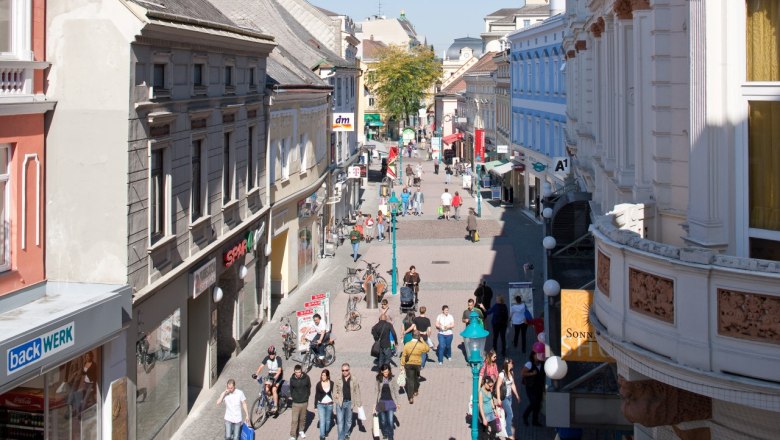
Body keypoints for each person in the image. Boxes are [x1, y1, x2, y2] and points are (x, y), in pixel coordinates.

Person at [333, 363, 361, 440]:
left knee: (348, 422)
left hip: (350, 403)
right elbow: (334, 390)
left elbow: (357, 391)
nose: (344, 372)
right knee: (340, 422)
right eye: (343, 370)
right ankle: (341, 438)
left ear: (349, 370)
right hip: (340, 403)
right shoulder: (338, 378)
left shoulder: (354, 379)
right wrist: (336, 399)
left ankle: (346, 433)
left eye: (346, 370)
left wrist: (359, 403)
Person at [400, 331, 429, 403]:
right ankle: (415, 391)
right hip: (417, 364)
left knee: (410, 380)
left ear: (412, 336)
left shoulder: (407, 344)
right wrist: (423, 341)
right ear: (419, 336)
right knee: (416, 378)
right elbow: (427, 349)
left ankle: (410, 397)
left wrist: (402, 364)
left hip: (409, 364)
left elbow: (404, 355)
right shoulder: (420, 345)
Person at [253, 345, 283, 413]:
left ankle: (275, 406)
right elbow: (261, 366)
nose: (271, 355)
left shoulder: (278, 359)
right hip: (270, 374)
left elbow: (279, 370)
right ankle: (271, 398)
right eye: (270, 354)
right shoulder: (267, 358)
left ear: (275, 353)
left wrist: (276, 377)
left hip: (278, 375)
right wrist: (256, 374)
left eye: (272, 354)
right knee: (266, 389)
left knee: (274, 389)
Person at [496, 359, 521, 440]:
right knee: (510, 414)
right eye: (511, 363)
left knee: (507, 414)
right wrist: (499, 399)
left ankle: (506, 432)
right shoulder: (501, 374)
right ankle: (509, 434)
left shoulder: (511, 373)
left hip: (510, 397)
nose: (513, 364)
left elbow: (513, 385)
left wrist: (517, 395)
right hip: (504, 397)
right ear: (507, 364)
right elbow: (497, 386)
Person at [374, 364, 401, 440]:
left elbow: (396, 391)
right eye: (385, 372)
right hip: (381, 402)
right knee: (382, 420)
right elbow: (376, 391)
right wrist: (374, 404)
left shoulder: (392, 378)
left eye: (387, 371)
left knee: (390, 420)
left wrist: (398, 402)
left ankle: (391, 437)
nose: (386, 373)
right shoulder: (378, 379)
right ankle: (385, 433)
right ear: (382, 371)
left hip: (390, 402)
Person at [521, 348, 546, 427]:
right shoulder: (529, 364)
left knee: (538, 404)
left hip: (539, 387)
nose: (538, 356)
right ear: (533, 355)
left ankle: (535, 421)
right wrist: (532, 373)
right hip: (531, 387)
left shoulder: (542, 363)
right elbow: (523, 373)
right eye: (536, 355)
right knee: (533, 403)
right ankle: (525, 416)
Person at [289, 364, 312, 440]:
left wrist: (306, 396)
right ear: (294, 372)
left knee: (303, 418)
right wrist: (294, 397)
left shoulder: (306, 378)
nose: (298, 374)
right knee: (294, 420)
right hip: (295, 402)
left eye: (299, 372)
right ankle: (293, 435)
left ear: (301, 372)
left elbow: (309, 386)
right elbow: (291, 389)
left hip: (304, 401)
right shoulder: (292, 379)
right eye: (296, 372)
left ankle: (301, 431)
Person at [315, 369, 335, 440]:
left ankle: (326, 431)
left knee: (328, 420)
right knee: (322, 420)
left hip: (329, 404)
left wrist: (336, 400)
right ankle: (322, 436)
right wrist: (315, 406)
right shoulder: (318, 384)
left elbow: (334, 393)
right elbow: (316, 395)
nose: (323, 376)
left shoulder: (332, 383)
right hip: (320, 405)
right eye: (322, 375)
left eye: (324, 375)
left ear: (328, 376)